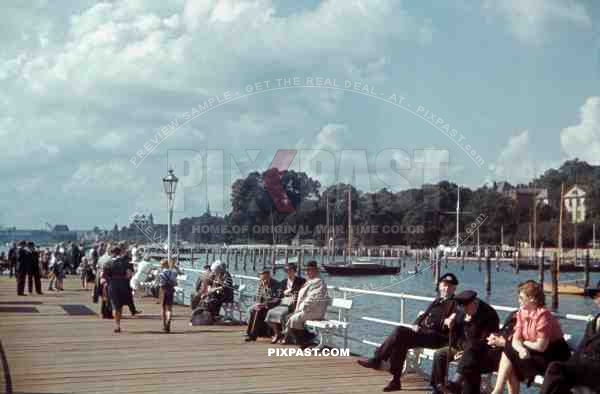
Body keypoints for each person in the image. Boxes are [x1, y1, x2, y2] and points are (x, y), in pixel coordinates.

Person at [357, 273, 459, 392]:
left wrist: (438, 322)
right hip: (424, 334)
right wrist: (416, 323)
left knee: (400, 331)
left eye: (450, 286)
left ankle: (378, 359)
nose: (446, 288)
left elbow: (448, 322)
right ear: (440, 286)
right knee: (401, 341)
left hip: (438, 338)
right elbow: (424, 315)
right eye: (444, 285)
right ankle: (395, 380)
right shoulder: (437, 301)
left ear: (454, 288)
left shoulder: (456, 303)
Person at [491, 281, 570, 394]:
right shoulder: (521, 313)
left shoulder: (543, 315)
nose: (519, 300)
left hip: (552, 355)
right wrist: (521, 349)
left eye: (521, 298)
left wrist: (523, 343)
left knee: (510, 355)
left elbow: (541, 346)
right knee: (510, 351)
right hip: (535, 351)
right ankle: (497, 390)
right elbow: (515, 340)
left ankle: (498, 391)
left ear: (532, 298)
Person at [431, 290, 500, 394]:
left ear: (474, 303)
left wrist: (465, 352)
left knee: (470, 359)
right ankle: (439, 389)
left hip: (482, 354)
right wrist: (461, 347)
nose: (465, 312)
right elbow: (456, 336)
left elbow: (486, 342)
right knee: (439, 354)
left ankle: (455, 385)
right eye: (463, 309)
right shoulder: (461, 312)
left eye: (467, 309)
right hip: (463, 349)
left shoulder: (489, 315)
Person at [539, 280, 600, 393]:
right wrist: (568, 366)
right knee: (558, 378)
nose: (598, 299)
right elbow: (581, 348)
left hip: (596, 373)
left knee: (555, 368)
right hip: (584, 369)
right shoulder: (594, 322)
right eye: (596, 296)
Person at [286, 261, 329, 349]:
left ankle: (308, 339)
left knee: (294, 319)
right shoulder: (311, 281)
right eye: (307, 270)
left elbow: (314, 299)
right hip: (308, 309)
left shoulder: (318, 282)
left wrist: (301, 309)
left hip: (315, 310)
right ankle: (305, 340)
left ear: (316, 271)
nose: (307, 272)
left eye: (309, 270)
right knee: (290, 318)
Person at [265, 263, 306, 344]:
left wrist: (293, 294)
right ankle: (277, 333)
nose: (288, 273)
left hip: (294, 304)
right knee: (270, 313)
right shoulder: (283, 282)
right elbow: (279, 296)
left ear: (294, 271)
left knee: (283, 315)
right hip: (283, 303)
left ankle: (286, 336)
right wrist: (283, 293)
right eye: (286, 271)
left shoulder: (301, 281)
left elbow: (303, 293)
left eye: (290, 271)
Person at [102, 246, 133, 333]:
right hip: (123, 284)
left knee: (115, 306)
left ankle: (117, 325)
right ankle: (127, 314)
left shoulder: (108, 263)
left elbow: (104, 277)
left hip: (113, 285)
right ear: (120, 252)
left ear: (112, 253)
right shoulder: (125, 262)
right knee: (120, 305)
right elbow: (129, 274)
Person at [245, 269, 281, 342]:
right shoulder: (261, 284)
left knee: (258, 311)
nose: (262, 279)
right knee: (253, 310)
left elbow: (276, 299)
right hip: (263, 305)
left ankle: (252, 335)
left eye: (264, 276)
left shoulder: (275, 284)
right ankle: (250, 333)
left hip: (273, 306)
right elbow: (258, 297)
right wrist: (258, 304)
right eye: (261, 277)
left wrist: (265, 304)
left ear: (268, 275)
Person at [158, 259, 178, 333]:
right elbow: (175, 283)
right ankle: (168, 321)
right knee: (169, 308)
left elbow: (160, 283)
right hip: (170, 290)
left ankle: (164, 325)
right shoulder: (173, 273)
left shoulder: (161, 273)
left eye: (161, 264)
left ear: (163, 265)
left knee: (163, 308)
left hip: (163, 290)